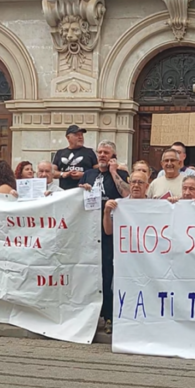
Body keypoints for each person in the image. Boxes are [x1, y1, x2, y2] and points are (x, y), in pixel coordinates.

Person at [79, 140, 130, 334]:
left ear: (113, 156)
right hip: (90, 232)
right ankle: (93, 315)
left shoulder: (121, 175)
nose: (102, 155)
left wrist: (114, 172)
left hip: (110, 232)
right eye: (99, 152)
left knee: (108, 274)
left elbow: (126, 195)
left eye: (106, 153)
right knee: (91, 274)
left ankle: (109, 316)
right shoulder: (89, 174)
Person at [52, 125, 98, 190]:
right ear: (68, 138)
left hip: (85, 191)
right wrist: (63, 174)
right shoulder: (60, 153)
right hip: (65, 192)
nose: (80, 137)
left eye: (81, 135)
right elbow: (52, 172)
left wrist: (84, 175)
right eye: (76, 135)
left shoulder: (90, 152)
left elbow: (98, 172)